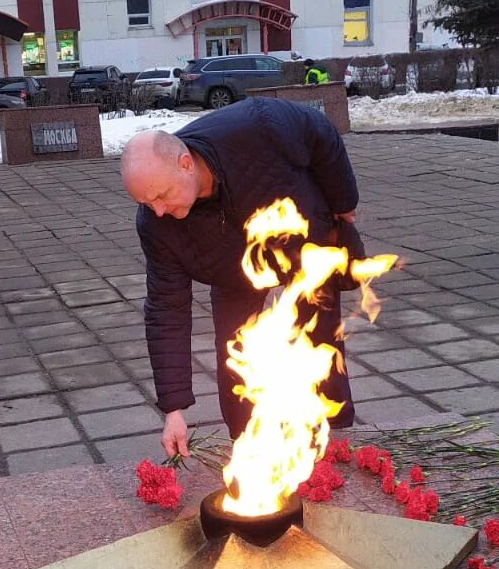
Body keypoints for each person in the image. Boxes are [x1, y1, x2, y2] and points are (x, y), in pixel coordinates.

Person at [121, 97, 362, 459]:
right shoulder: (156, 225)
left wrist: (344, 202)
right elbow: (166, 311)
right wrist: (173, 411)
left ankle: (337, 436)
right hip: (231, 271)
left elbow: (321, 133)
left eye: (161, 196)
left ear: (186, 164)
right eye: (146, 203)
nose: (158, 210)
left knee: (320, 339)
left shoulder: (257, 127)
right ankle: (249, 446)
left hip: (302, 245)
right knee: (235, 349)